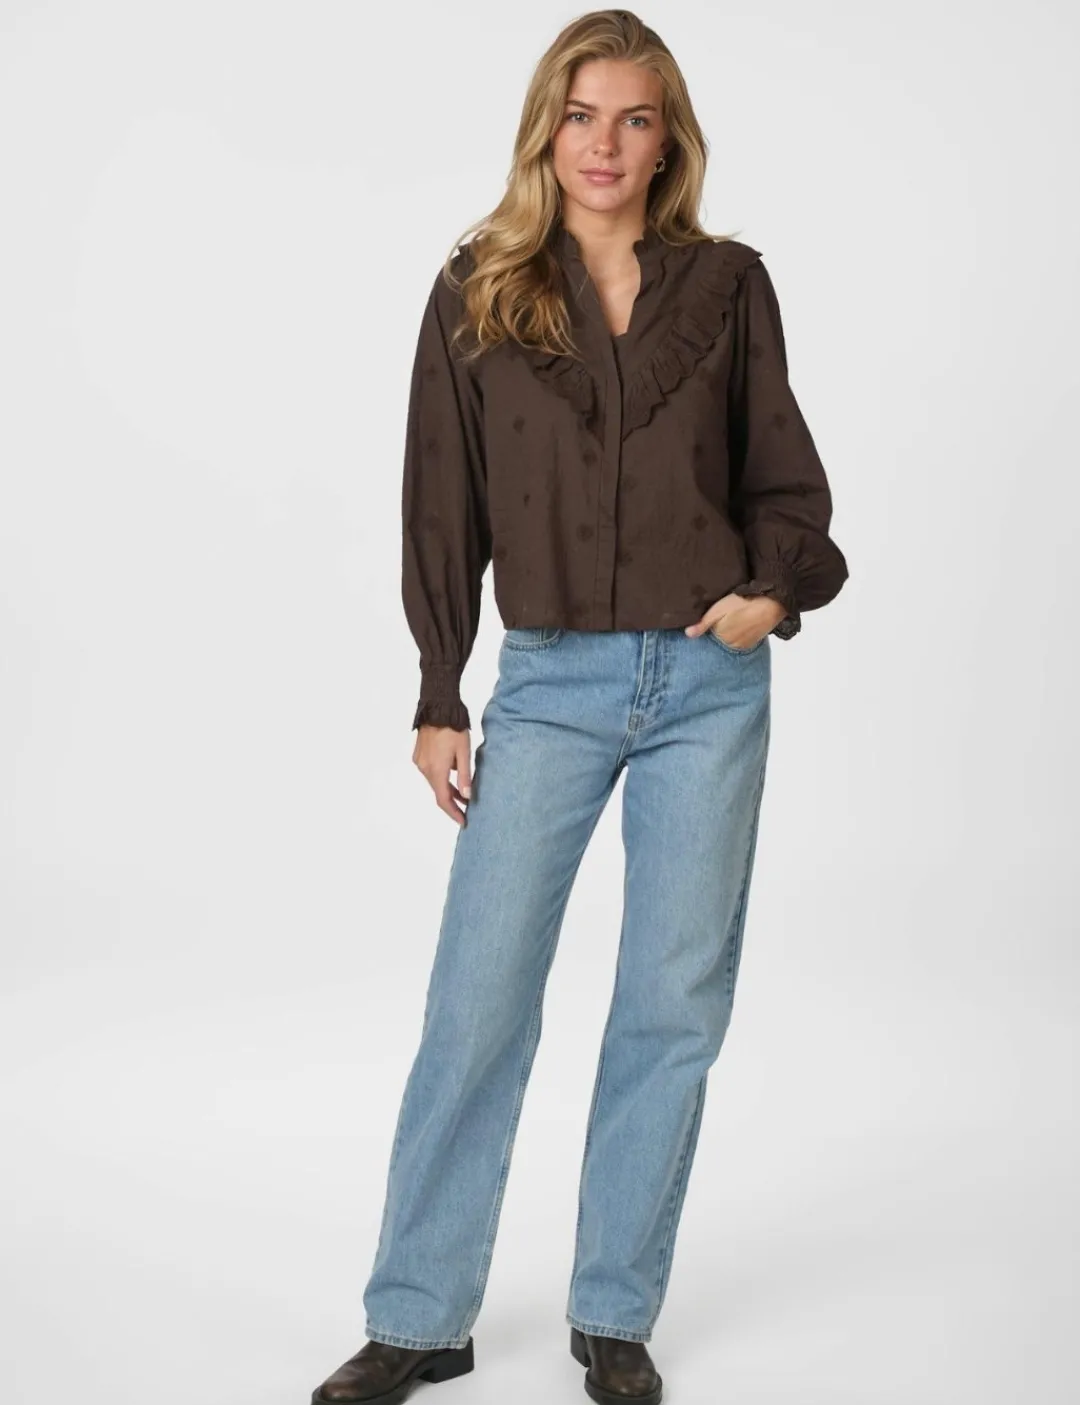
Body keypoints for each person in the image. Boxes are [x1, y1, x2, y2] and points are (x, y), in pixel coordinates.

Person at [312, 9, 848, 1404]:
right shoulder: (478, 289)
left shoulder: (729, 287)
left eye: (635, 118)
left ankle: (615, 1311)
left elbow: (783, 475)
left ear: (670, 141)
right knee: (478, 1001)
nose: (604, 143)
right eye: (581, 114)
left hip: (709, 685)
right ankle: (420, 1317)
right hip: (548, 683)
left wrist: (771, 596)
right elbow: (442, 500)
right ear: (545, 128)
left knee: (672, 1002)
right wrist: (441, 689)